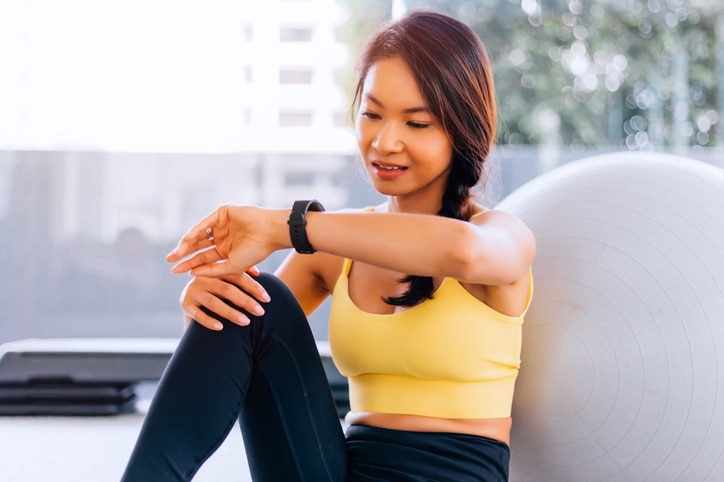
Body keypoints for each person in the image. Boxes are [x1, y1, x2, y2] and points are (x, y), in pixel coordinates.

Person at [122, 9, 535, 482]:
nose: (384, 141)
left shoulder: (502, 238)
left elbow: (461, 252)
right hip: (337, 470)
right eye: (372, 114)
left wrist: (285, 226)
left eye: (416, 123)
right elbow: (243, 344)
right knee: (256, 299)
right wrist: (207, 306)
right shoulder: (333, 247)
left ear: (462, 129)